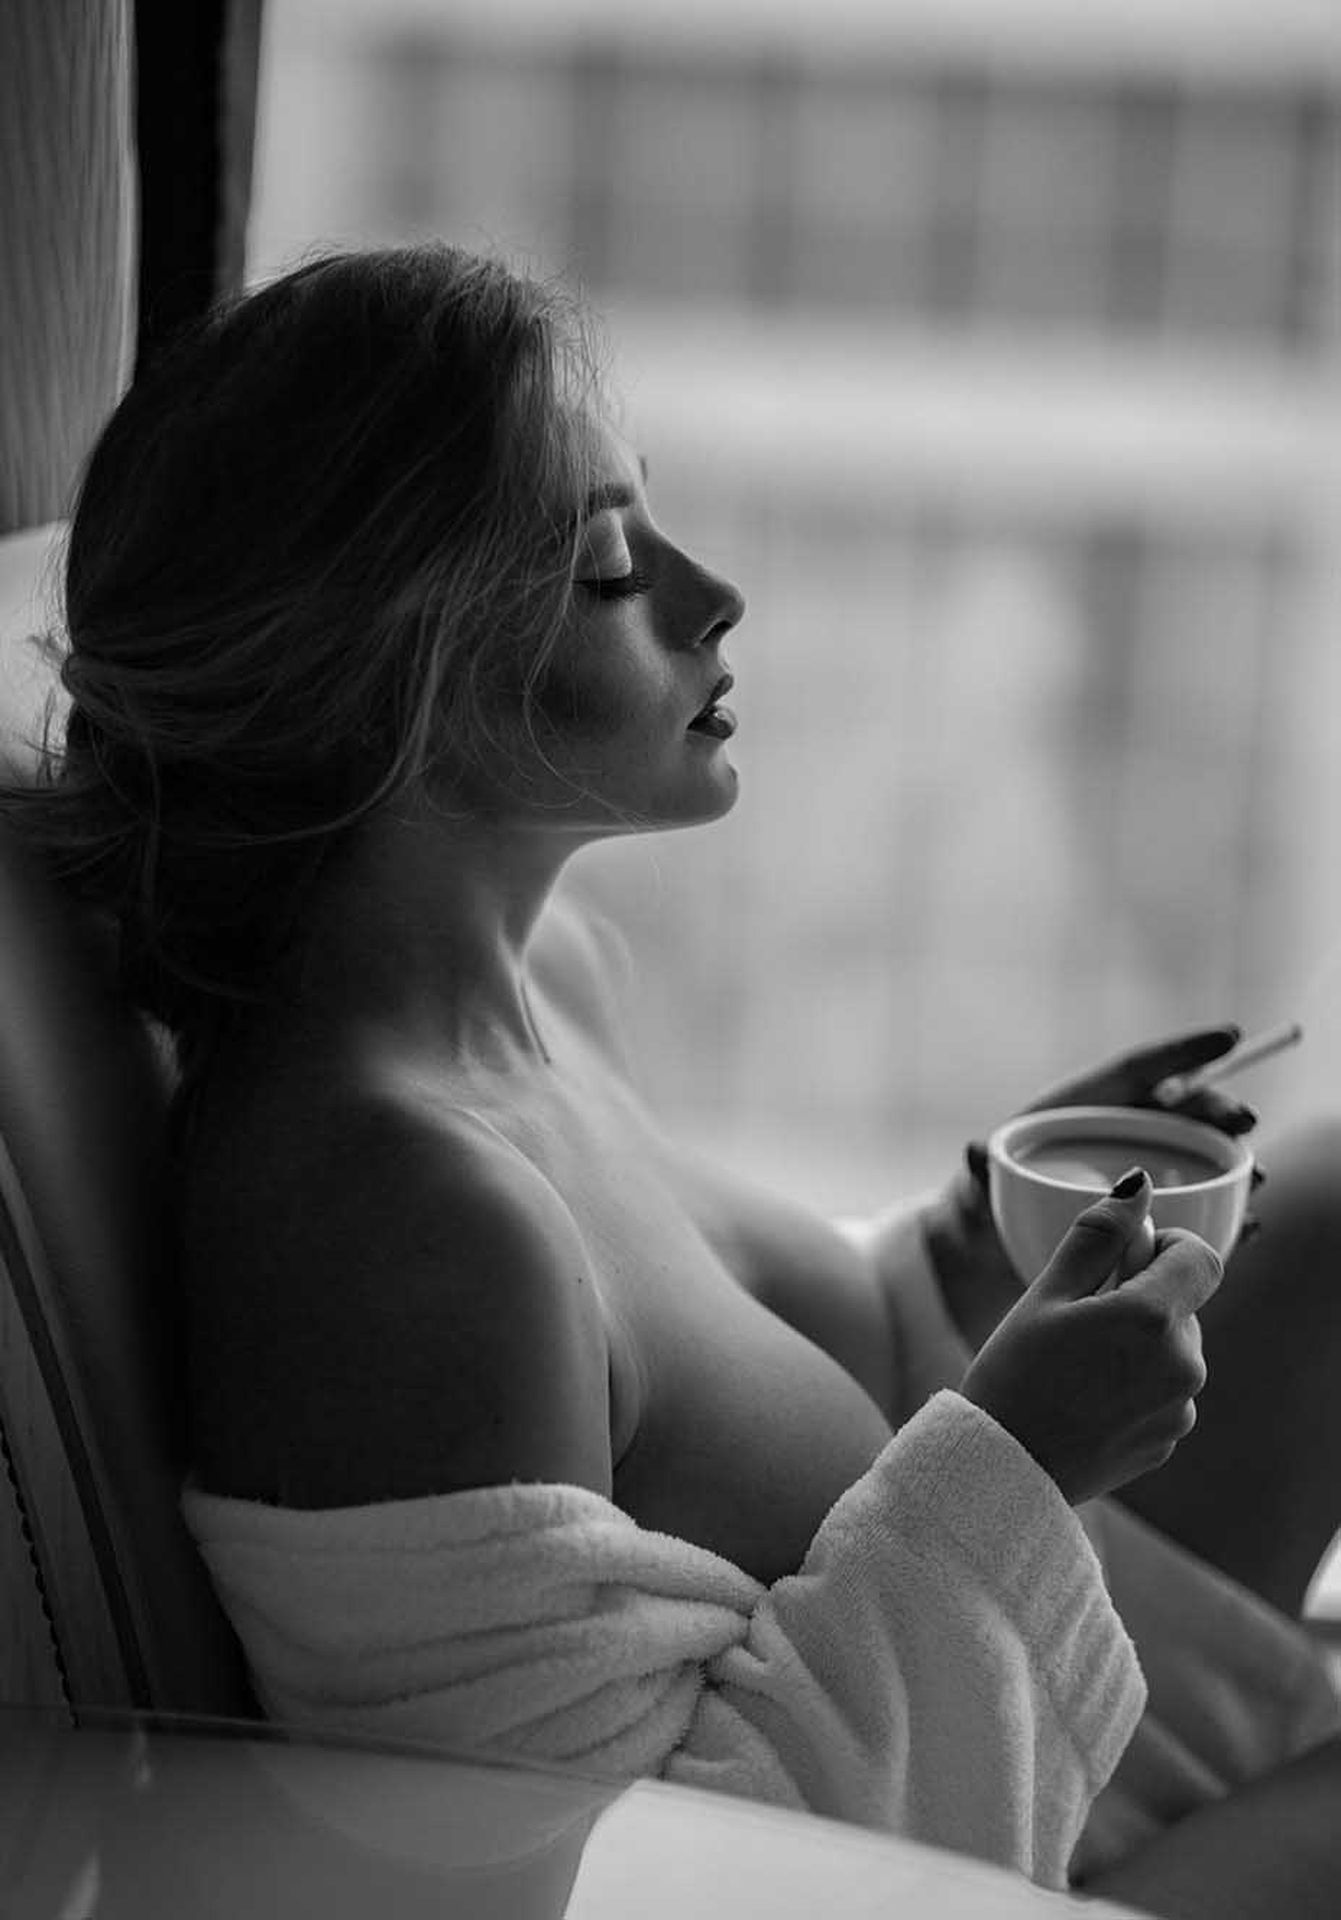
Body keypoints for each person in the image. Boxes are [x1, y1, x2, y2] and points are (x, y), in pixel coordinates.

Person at [2, 245, 1338, 1914]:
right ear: (393, 679)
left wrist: (951, 1248)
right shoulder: (399, 1228)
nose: (715, 596)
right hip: (904, 1867)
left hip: (965, 1757)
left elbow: (707, 1384)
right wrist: (1020, 1458)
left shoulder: (542, 988)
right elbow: (616, 1889)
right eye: (610, 569)